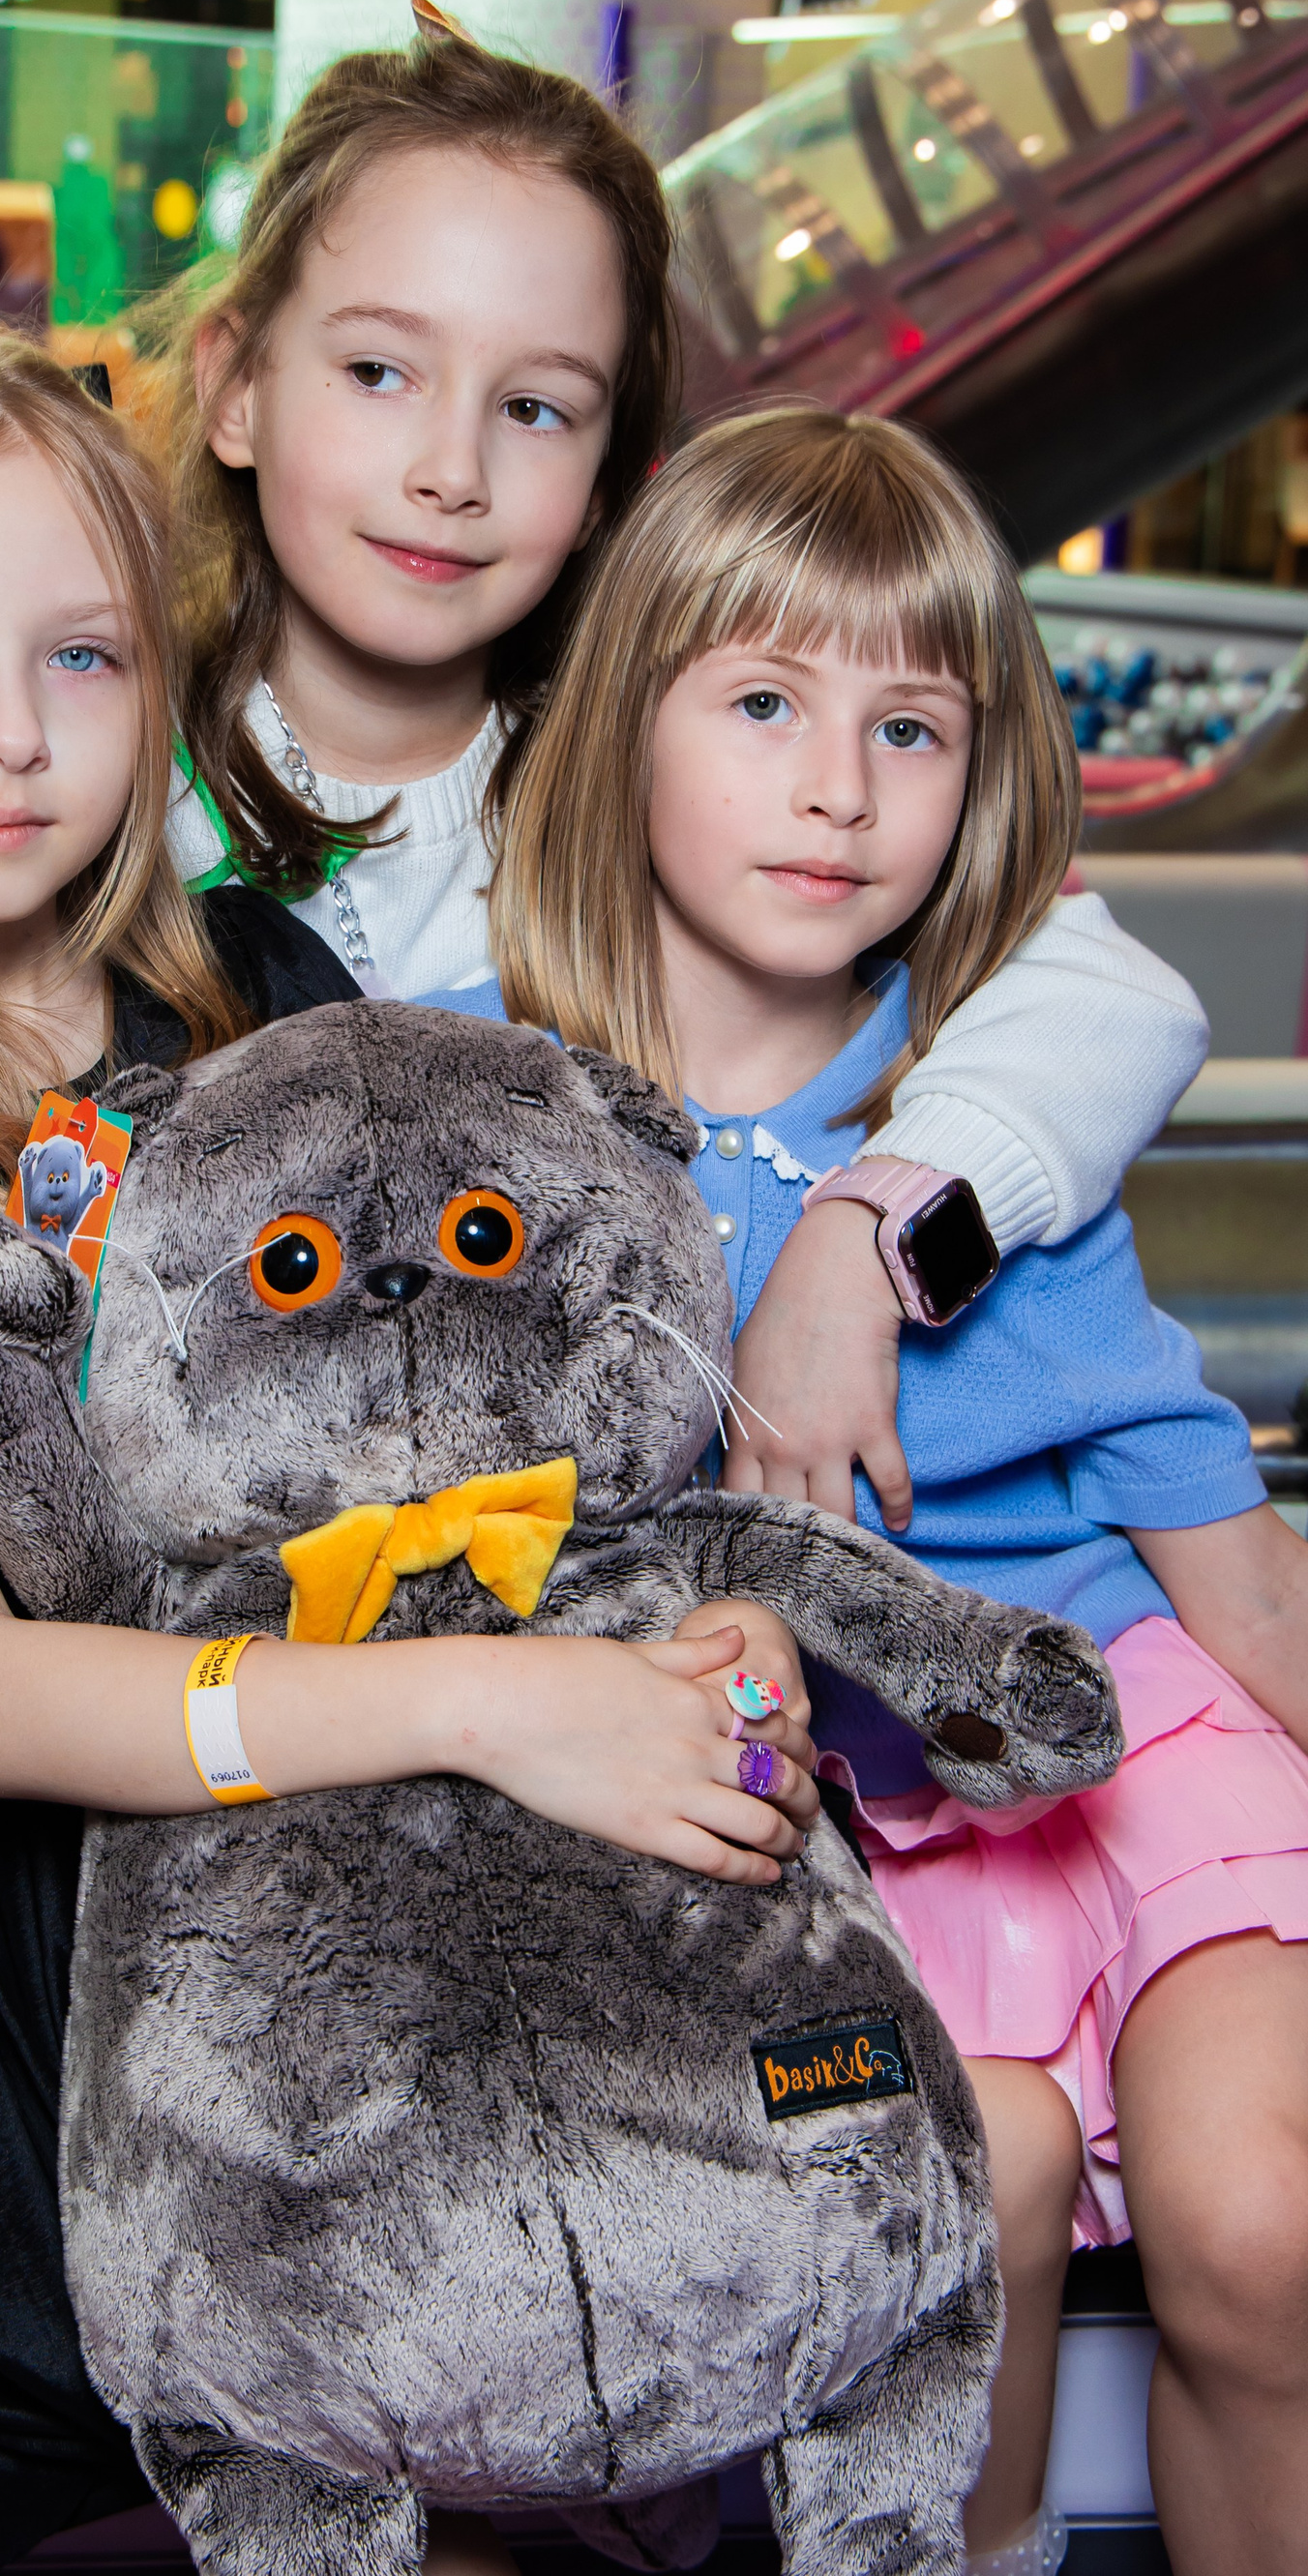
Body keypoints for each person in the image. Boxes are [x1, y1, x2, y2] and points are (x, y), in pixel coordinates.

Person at [0, 316, 814, 2576]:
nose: (10, 729)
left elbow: (450, 1450)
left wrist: (660, 1634)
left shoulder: (260, 1011)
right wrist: (498, 1705)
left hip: (318, 1912)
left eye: (83, 655)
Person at [0, 23, 1204, 1534]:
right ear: (237, 384)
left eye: (536, 410)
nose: (449, 469)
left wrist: (871, 1239)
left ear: (613, 480)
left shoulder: (649, 806)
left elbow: (1098, 988)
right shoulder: (81, 757)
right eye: (379, 371)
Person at [477, 402, 1308, 2576]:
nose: (840, 789)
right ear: (621, 715)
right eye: (763, 705)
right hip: (811, 1818)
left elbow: (1208, 1532)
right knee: (963, 2191)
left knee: (1270, 2223)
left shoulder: (986, 1120)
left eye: (910, 729)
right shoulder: (492, 1104)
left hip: (1116, 1736)